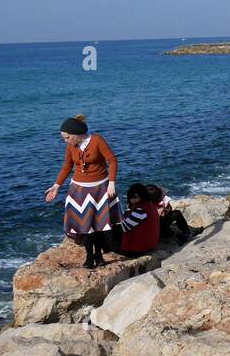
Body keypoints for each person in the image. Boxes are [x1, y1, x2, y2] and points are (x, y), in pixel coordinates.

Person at [45, 115, 121, 269]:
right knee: (84, 226)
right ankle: (89, 256)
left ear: (76, 134)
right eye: (64, 138)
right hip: (78, 189)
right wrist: (57, 185)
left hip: (100, 188)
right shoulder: (71, 146)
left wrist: (111, 183)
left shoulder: (98, 140)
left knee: (99, 225)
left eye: (67, 138)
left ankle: (99, 256)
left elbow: (112, 160)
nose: (65, 141)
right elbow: (67, 166)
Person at [113, 183, 161, 257]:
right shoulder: (149, 205)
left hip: (140, 249)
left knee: (111, 230)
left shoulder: (141, 210)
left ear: (142, 196)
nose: (132, 200)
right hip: (151, 243)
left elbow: (124, 228)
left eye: (135, 197)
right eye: (130, 197)